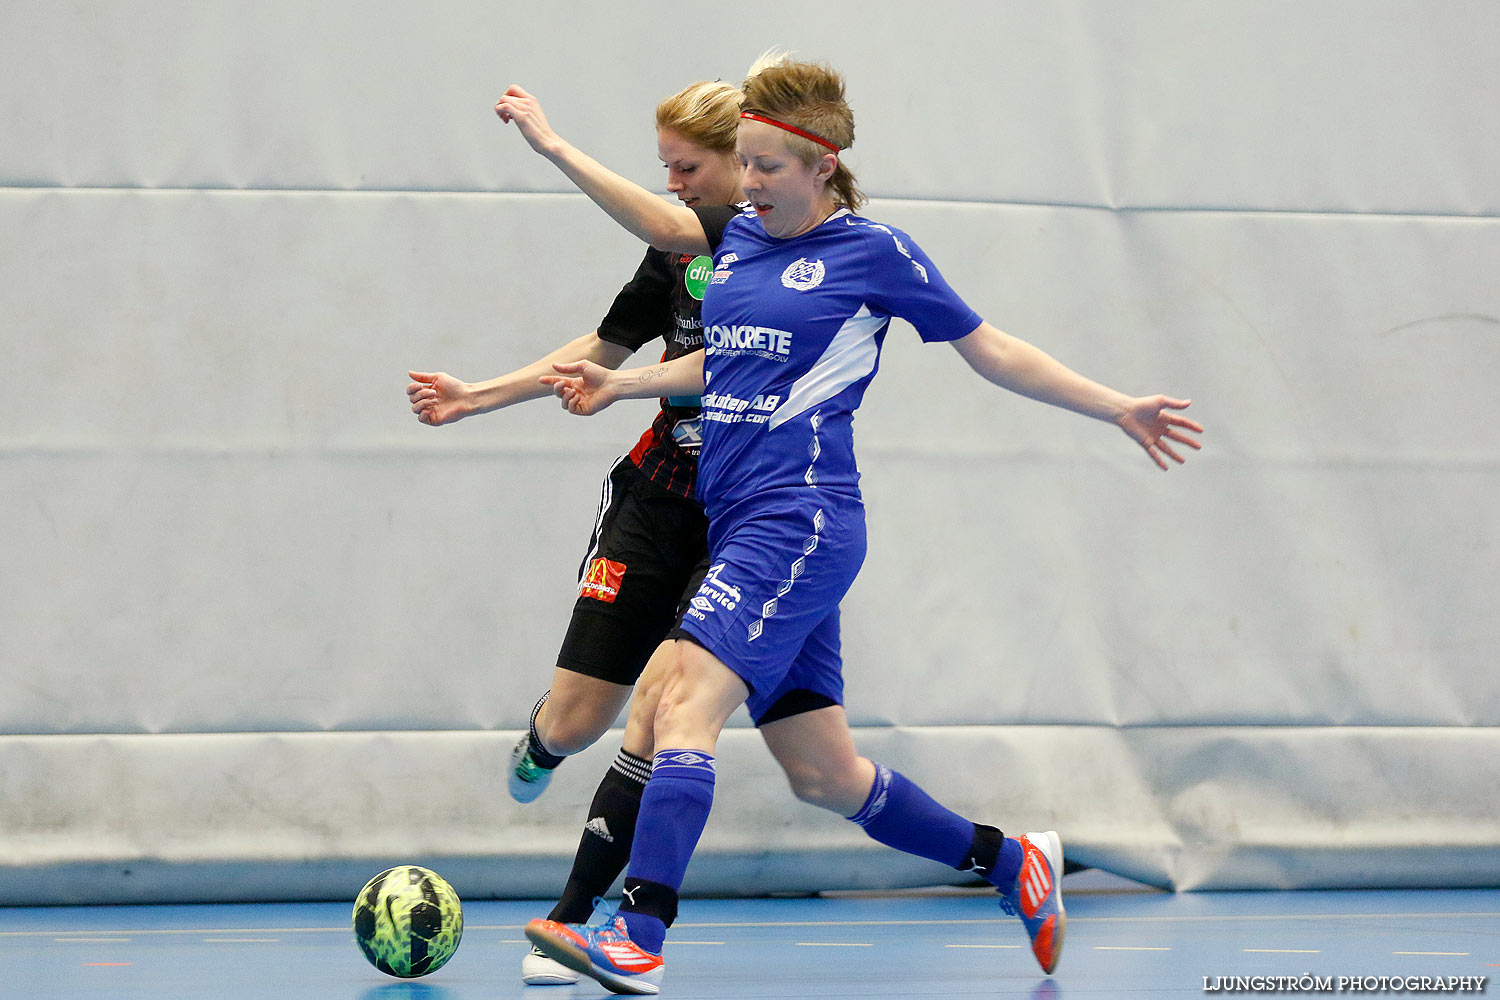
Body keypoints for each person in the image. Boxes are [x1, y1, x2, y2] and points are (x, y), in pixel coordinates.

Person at [499, 54, 1203, 996]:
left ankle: (640, 932)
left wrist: (1115, 405)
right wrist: (622, 379)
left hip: (801, 522)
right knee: (826, 778)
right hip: (739, 517)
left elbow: (991, 350)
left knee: (678, 707)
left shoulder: (874, 253)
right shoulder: (741, 244)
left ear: (822, 167)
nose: (748, 186)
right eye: (742, 165)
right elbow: (725, 362)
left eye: (768, 168)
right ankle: (1013, 865)